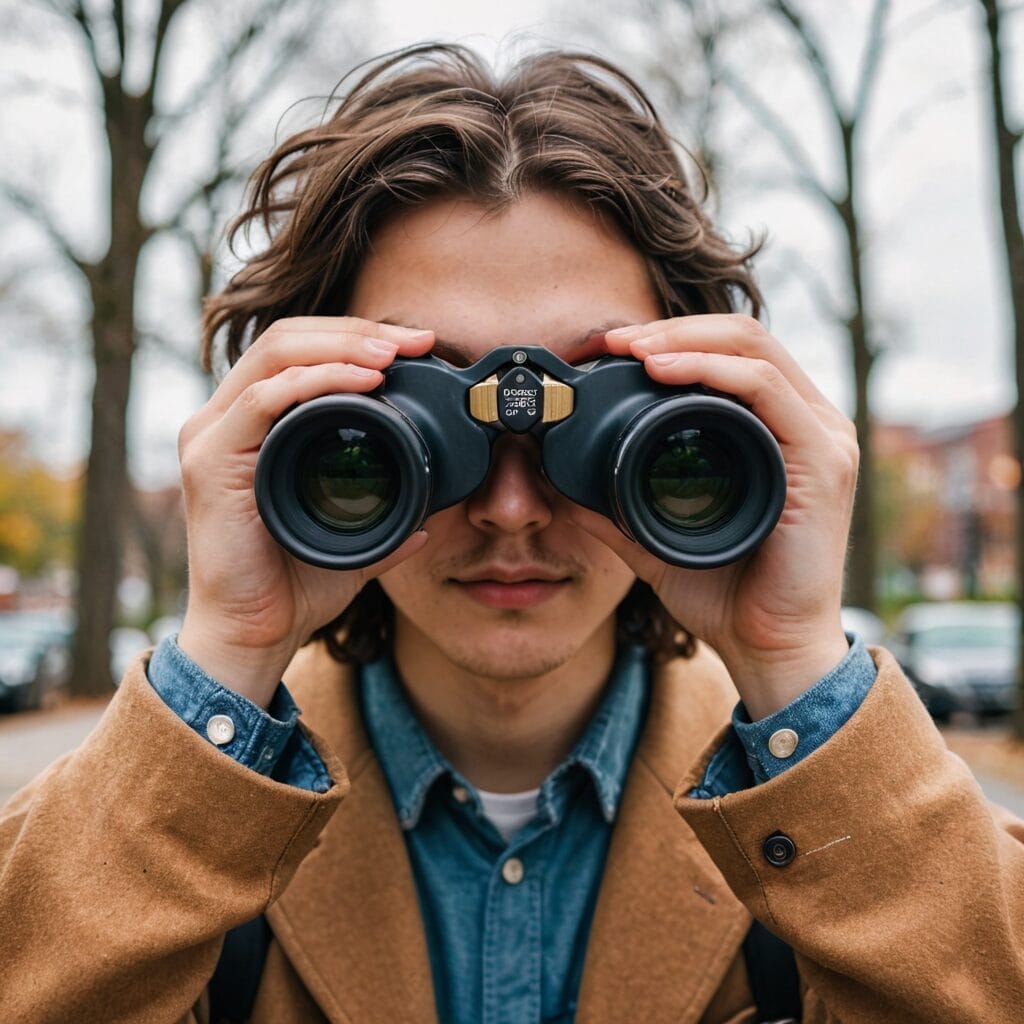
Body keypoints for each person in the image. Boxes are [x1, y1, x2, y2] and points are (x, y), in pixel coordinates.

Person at [1, 44, 1022, 1024]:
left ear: (710, 413)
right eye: (406, 431)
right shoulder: (201, 816)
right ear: (290, 429)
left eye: (594, 415)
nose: (510, 508)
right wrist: (227, 647)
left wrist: (794, 660)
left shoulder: (811, 802)